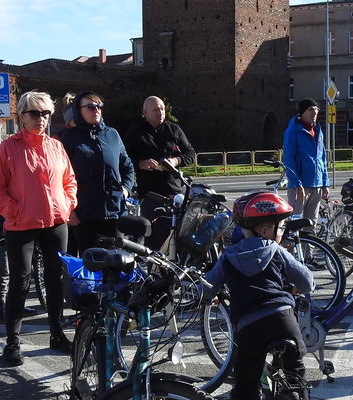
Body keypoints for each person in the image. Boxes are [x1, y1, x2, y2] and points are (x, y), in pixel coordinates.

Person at [0, 91, 77, 366]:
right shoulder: (10, 147)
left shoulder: (56, 146)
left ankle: (57, 334)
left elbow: (69, 180)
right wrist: (13, 211)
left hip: (55, 222)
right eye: (34, 113)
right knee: (20, 280)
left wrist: (68, 204)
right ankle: (12, 343)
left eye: (46, 113)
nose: (41, 119)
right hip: (21, 225)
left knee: (55, 280)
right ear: (22, 116)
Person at [200, 191, 314, 400]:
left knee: (246, 383)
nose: (283, 231)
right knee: (296, 373)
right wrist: (298, 287)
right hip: (283, 320)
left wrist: (210, 298)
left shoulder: (228, 258)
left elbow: (206, 289)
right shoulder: (276, 250)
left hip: (249, 328)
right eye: (281, 227)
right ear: (265, 230)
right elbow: (307, 283)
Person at [59, 92, 135, 253]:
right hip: (84, 215)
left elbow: (127, 165)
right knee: (91, 265)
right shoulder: (68, 137)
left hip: (113, 212)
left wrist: (126, 189)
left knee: (115, 264)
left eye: (99, 106)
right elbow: (59, 177)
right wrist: (69, 210)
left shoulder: (112, 134)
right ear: (78, 111)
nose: (96, 110)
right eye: (91, 107)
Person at [124, 96, 195, 248]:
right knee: (155, 239)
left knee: (178, 237)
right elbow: (123, 159)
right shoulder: (135, 132)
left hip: (175, 191)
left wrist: (175, 161)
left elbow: (190, 154)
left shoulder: (174, 129)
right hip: (151, 194)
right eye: (155, 110)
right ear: (144, 112)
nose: (160, 113)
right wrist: (140, 164)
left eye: (162, 109)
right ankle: (153, 270)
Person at [0, 201, 37, 322]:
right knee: (5, 271)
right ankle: (1, 307)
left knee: (27, 271)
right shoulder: (9, 193)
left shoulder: (28, 194)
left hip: (25, 237)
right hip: (4, 238)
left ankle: (18, 304)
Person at [283, 98, 330, 224]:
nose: (314, 113)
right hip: (300, 186)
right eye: (310, 109)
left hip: (317, 185)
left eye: (316, 109)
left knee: (311, 223)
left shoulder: (318, 131)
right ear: (302, 112)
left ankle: (308, 244)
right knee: (294, 223)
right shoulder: (293, 131)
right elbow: (288, 159)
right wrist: (297, 184)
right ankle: (290, 244)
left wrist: (325, 183)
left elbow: (322, 159)